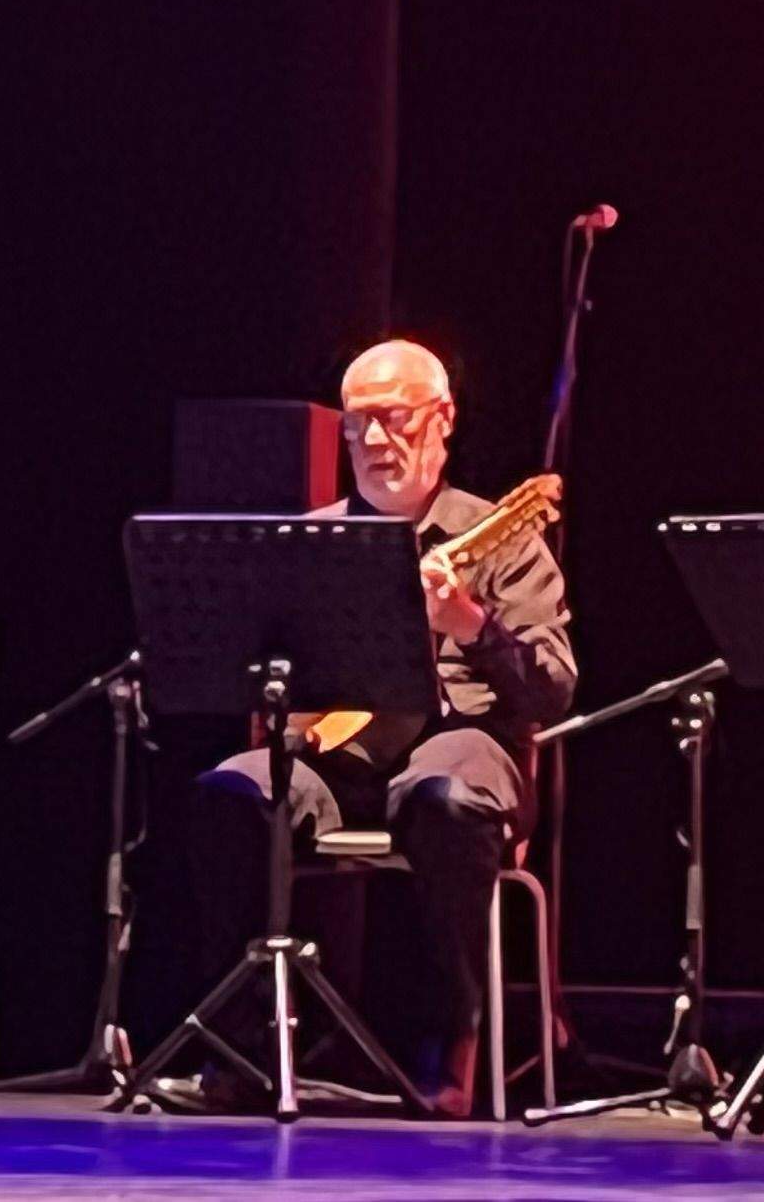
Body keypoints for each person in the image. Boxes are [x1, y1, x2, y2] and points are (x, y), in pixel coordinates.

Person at [172, 339, 573, 1117]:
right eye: (359, 427)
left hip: (462, 743)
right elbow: (261, 675)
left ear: (444, 419)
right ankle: (245, 1043)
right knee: (231, 792)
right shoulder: (315, 539)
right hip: (335, 754)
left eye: (395, 420)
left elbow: (554, 688)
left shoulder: (503, 537)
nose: (377, 443)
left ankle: (451, 1040)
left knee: (443, 792)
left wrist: (470, 622)